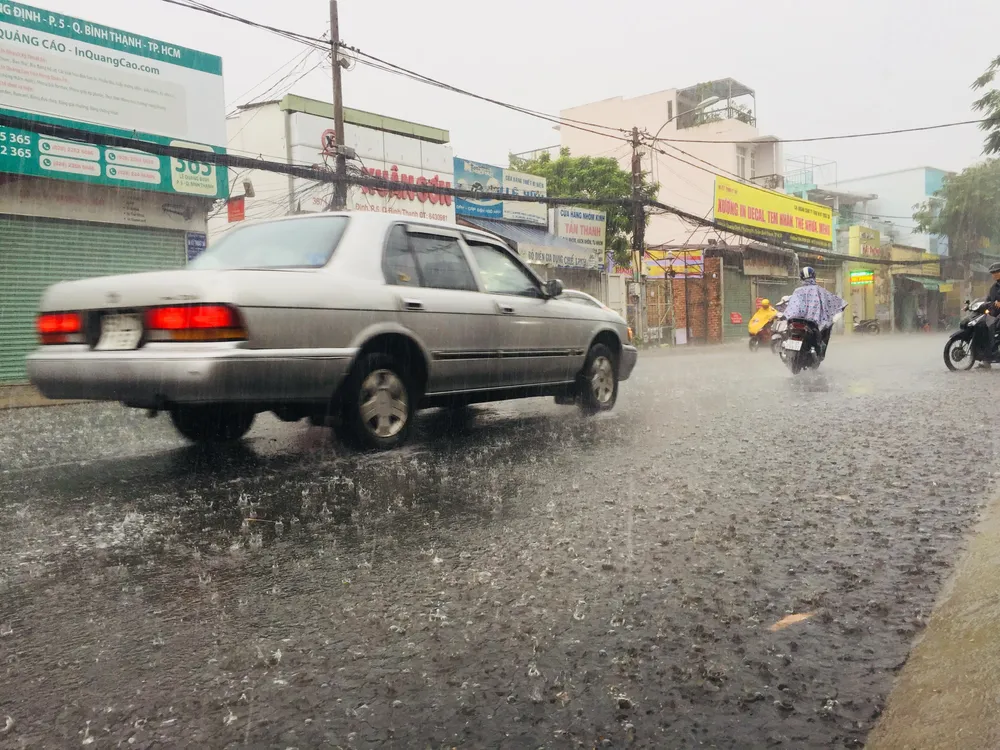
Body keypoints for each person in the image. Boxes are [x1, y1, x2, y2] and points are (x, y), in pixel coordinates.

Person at [782, 266, 848, 357]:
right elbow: (833, 301)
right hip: (813, 322)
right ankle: (818, 353)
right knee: (824, 332)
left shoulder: (797, 291)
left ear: (801, 277)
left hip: (795, 320)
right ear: (814, 276)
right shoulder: (819, 290)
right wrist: (841, 305)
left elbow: (791, 304)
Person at [973, 261, 1000, 360]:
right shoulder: (993, 288)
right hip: (993, 314)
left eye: (997, 271)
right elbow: (988, 300)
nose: (994, 274)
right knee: (981, 325)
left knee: (994, 325)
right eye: (993, 273)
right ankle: (986, 357)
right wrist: (974, 305)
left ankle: (994, 351)